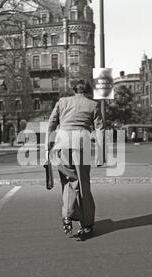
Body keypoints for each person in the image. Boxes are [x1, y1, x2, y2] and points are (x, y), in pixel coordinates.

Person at [47, 80, 104, 239]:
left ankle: (67, 214)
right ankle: (87, 224)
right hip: (82, 145)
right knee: (83, 184)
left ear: (74, 90)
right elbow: (99, 129)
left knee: (69, 181)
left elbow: (51, 124)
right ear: (87, 91)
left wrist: (48, 147)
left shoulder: (62, 102)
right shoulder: (93, 105)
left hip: (62, 144)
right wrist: (100, 155)